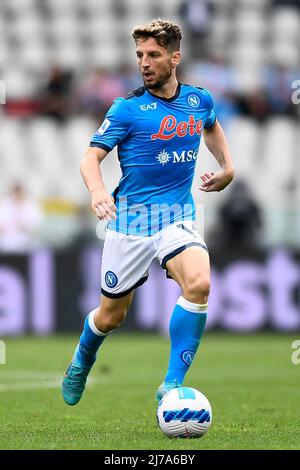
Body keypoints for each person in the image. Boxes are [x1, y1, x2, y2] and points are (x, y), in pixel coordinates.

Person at [62, 19, 234, 406]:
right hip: (131, 223)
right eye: (140, 55)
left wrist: (228, 167)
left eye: (153, 54)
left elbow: (212, 126)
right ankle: (82, 358)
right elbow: (91, 158)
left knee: (200, 284)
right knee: (110, 318)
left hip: (178, 217)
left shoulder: (199, 99)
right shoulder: (126, 108)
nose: (144, 62)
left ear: (175, 58)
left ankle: (171, 385)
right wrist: (98, 191)